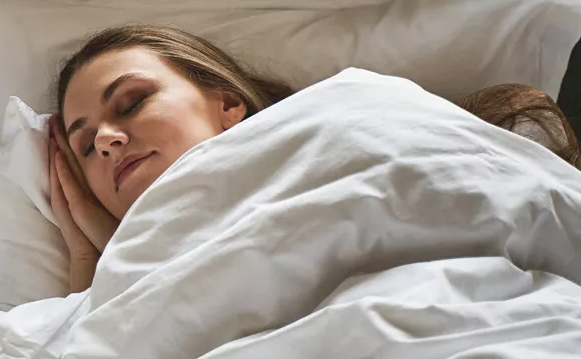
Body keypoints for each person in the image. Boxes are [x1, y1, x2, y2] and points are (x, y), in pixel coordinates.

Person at [47, 24, 581, 292]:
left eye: (133, 102)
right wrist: (94, 267)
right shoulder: (122, 273)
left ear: (227, 104)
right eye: (85, 145)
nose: (108, 141)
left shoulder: (350, 118)